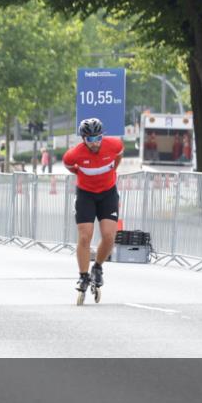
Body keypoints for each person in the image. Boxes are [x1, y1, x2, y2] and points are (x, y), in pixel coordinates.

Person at [63, 118, 124, 299]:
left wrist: (111, 171)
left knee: (108, 235)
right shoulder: (73, 155)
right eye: (90, 140)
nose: (95, 143)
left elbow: (118, 156)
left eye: (98, 138)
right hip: (86, 195)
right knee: (85, 235)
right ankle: (83, 276)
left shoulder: (114, 144)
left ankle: (97, 266)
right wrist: (81, 174)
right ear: (83, 139)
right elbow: (69, 167)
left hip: (108, 193)